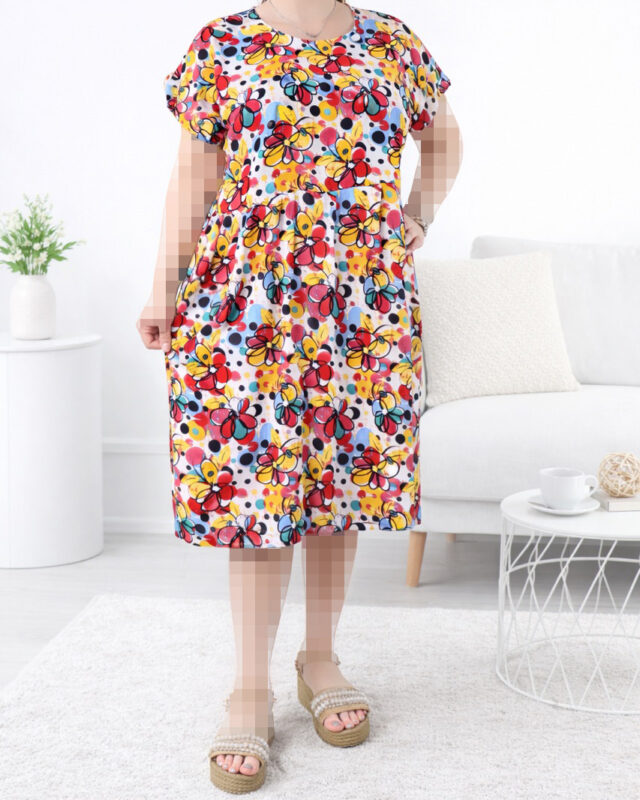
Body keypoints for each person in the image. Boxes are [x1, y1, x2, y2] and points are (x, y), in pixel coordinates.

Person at [136, 0, 462, 792]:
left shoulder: (391, 41)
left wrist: (415, 214)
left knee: (339, 481)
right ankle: (249, 688)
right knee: (257, 488)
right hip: (246, 295)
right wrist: (163, 287)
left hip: (361, 299)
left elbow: (444, 140)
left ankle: (320, 658)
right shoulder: (223, 44)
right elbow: (195, 176)